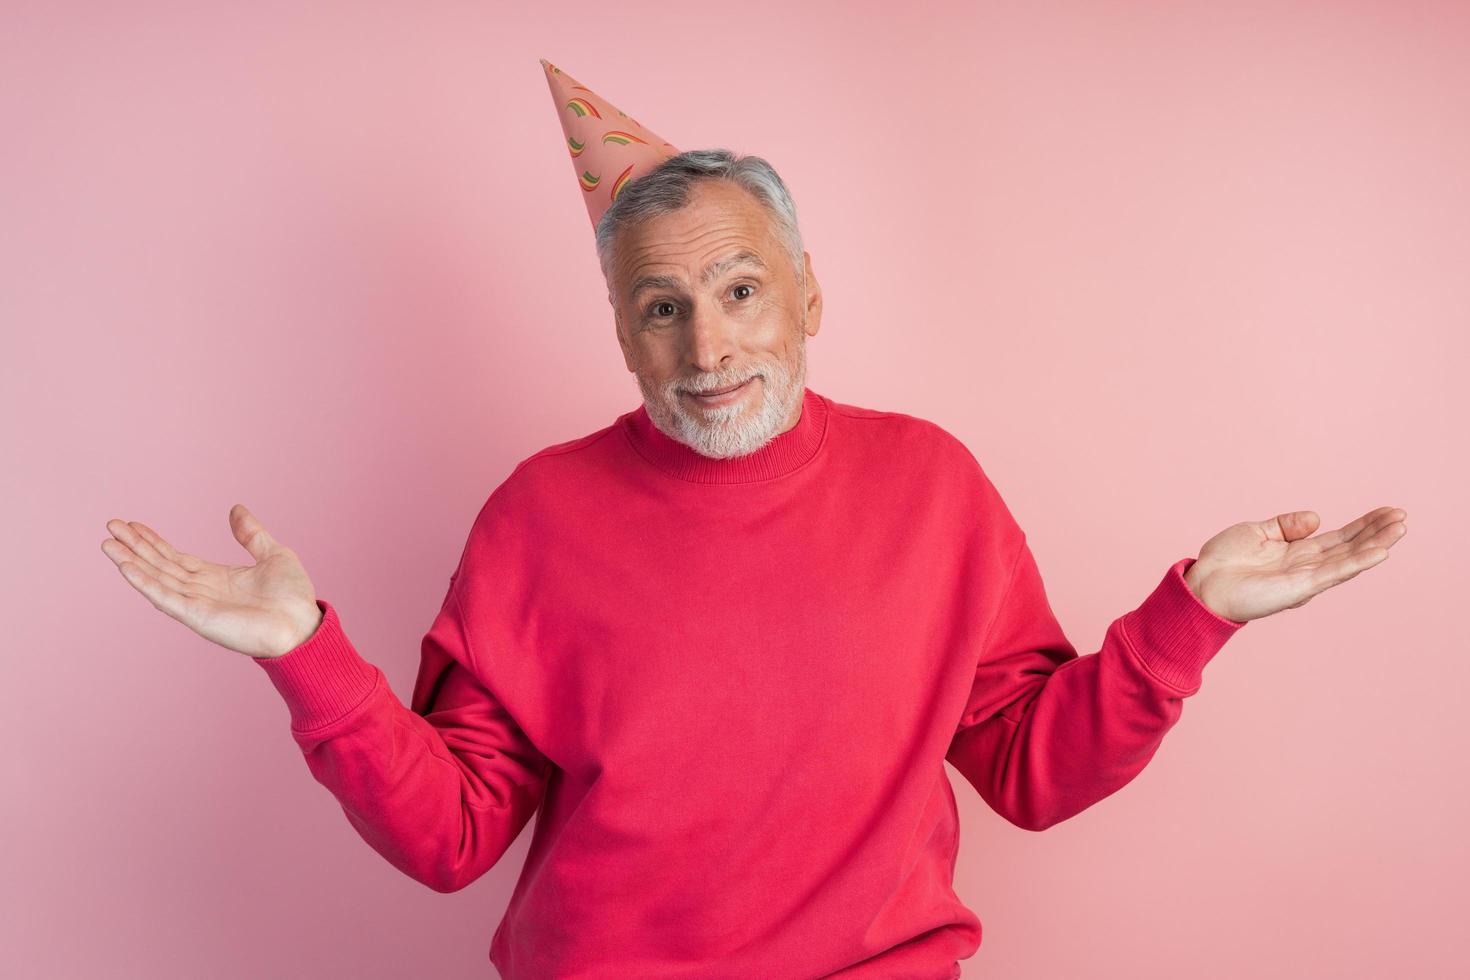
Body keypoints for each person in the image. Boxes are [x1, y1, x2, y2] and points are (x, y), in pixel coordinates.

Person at [99, 61, 1409, 980]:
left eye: (738, 288)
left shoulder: (929, 488)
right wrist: (305, 657)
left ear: (807, 297)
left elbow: (1030, 770)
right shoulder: (539, 515)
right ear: (619, 331)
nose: (704, 342)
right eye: (658, 307)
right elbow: (454, 836)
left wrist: (1190, 619)